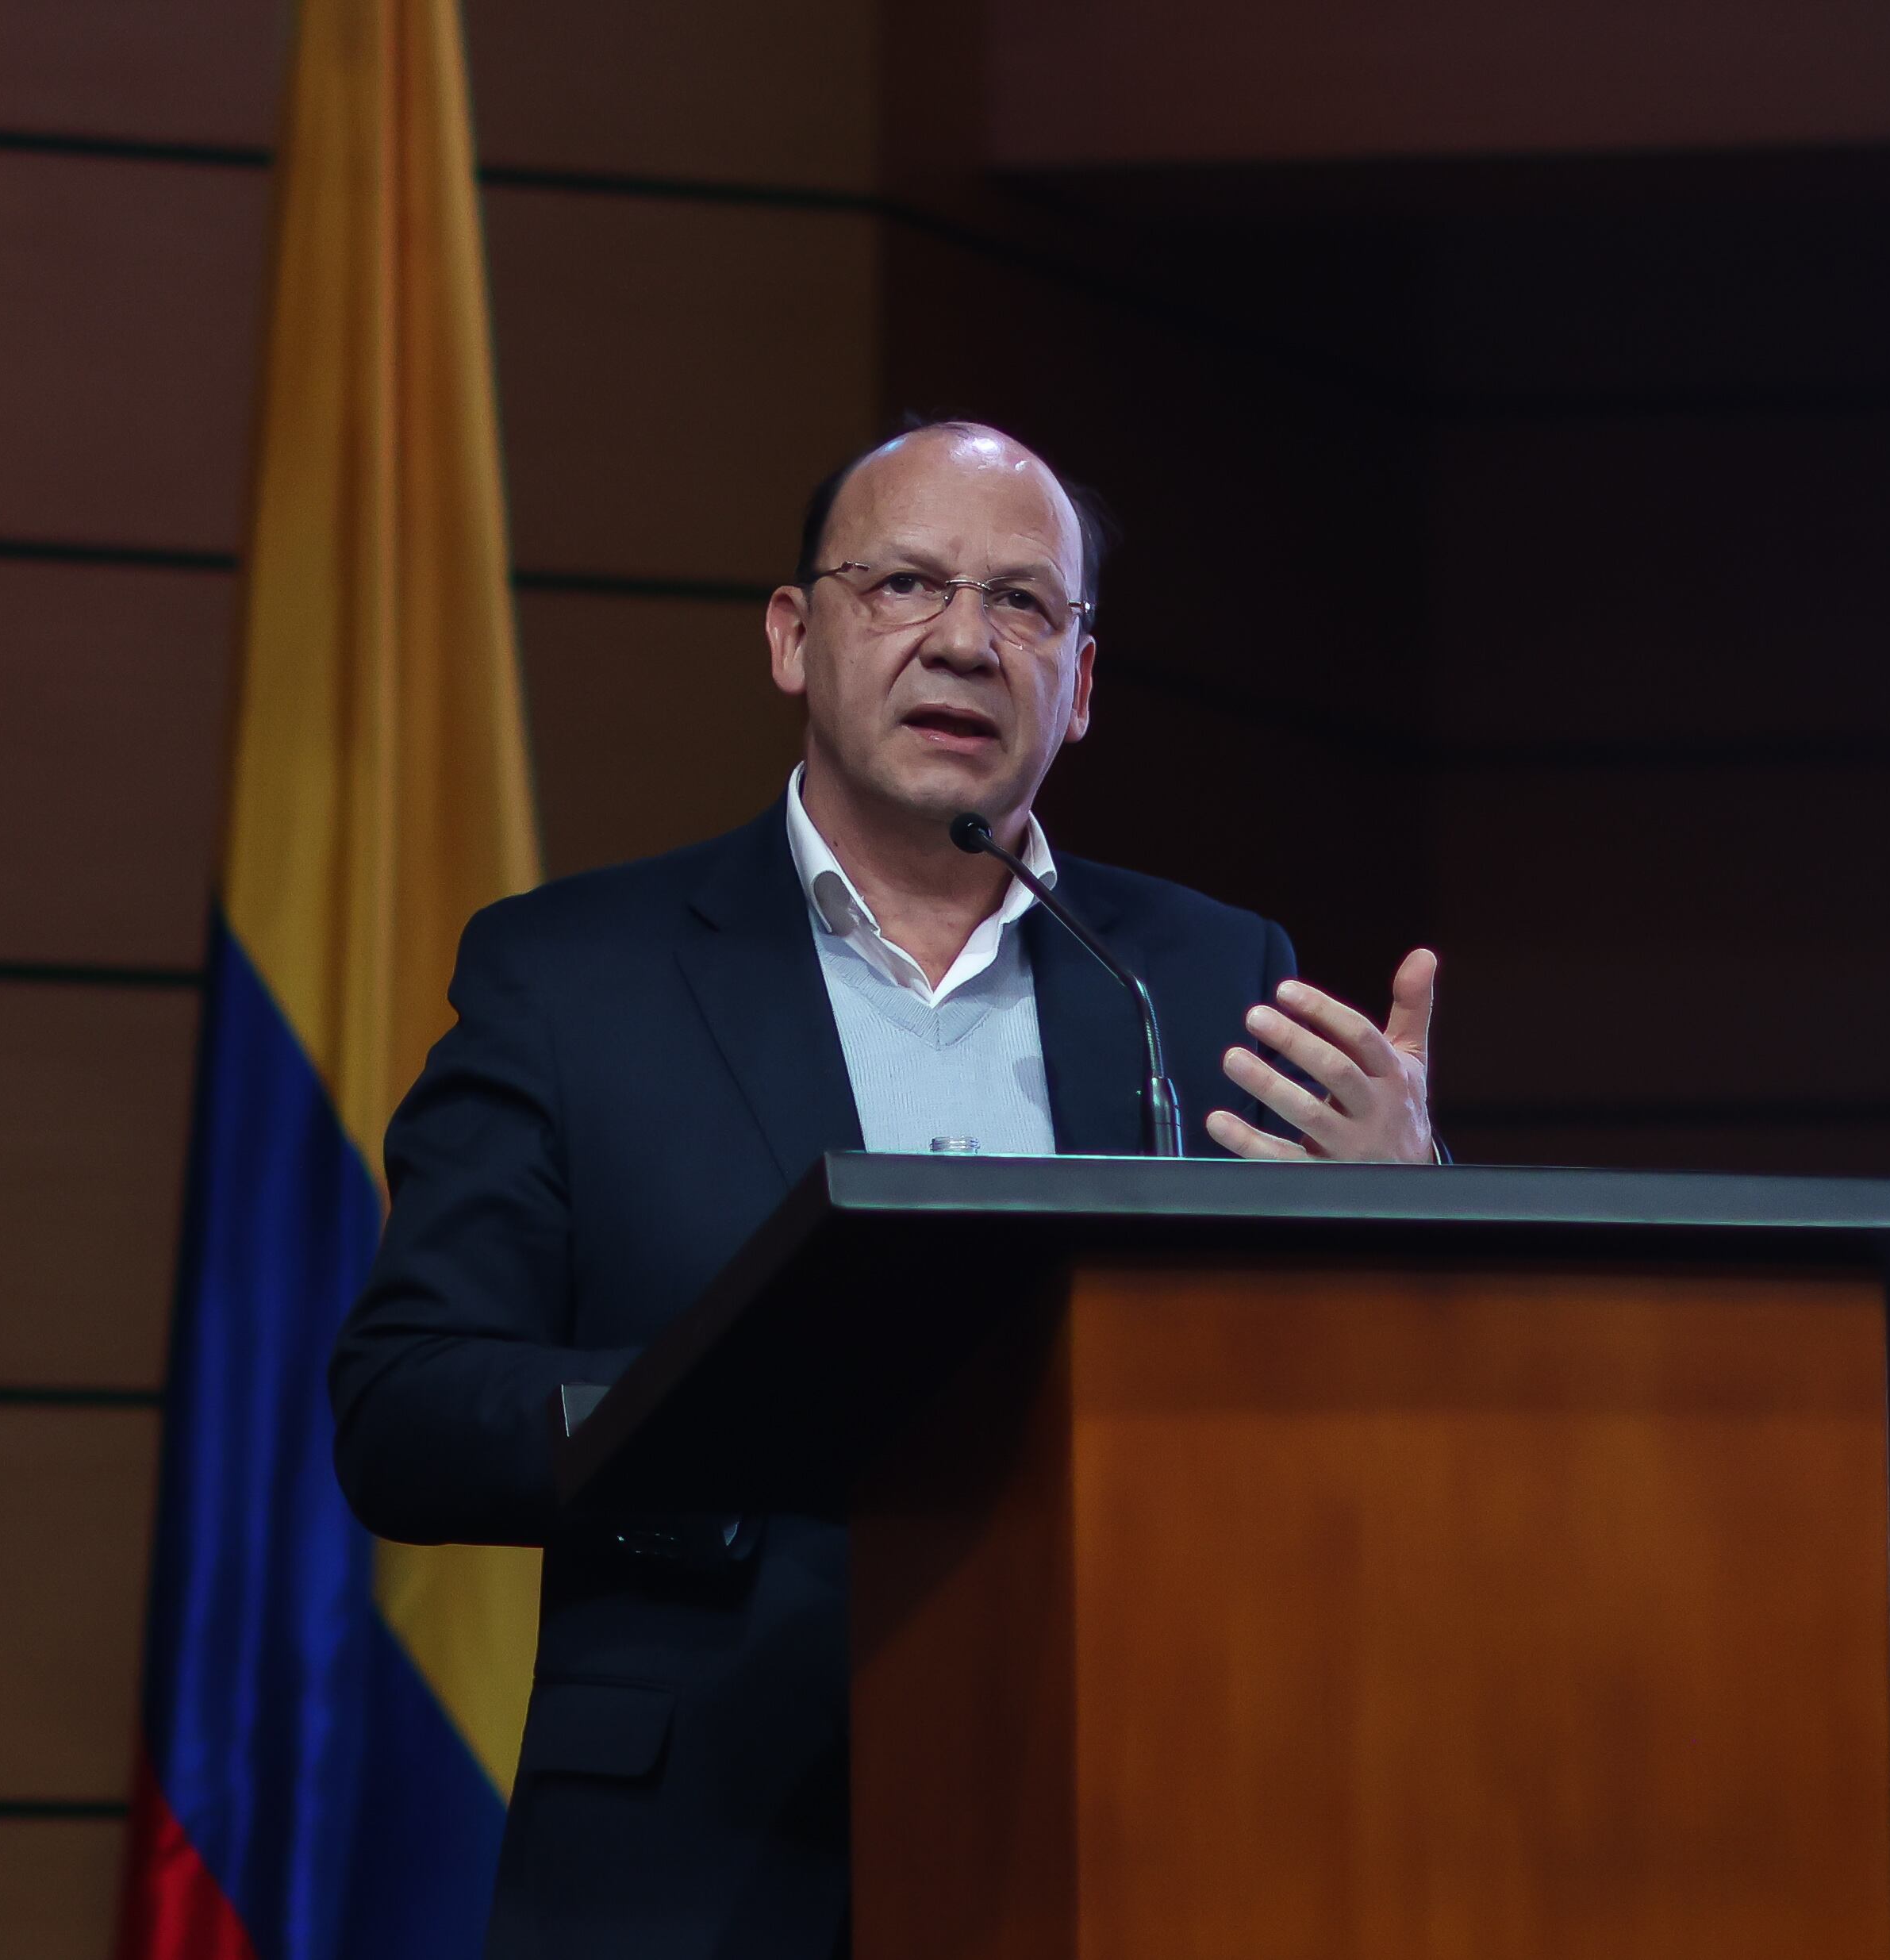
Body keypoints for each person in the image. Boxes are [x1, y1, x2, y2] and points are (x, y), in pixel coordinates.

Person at [328, 420, 1441, 1958]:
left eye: (1023, 604)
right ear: (795, 637)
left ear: (1084, 681)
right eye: (905, 582)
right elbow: (408, 1408)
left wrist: (1410, 1209)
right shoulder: (573, 976)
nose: (965, 642)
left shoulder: (1201, 976)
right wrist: (725, 1400)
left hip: (1128, 1813)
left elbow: (1347, 1420)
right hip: (699, 1849)